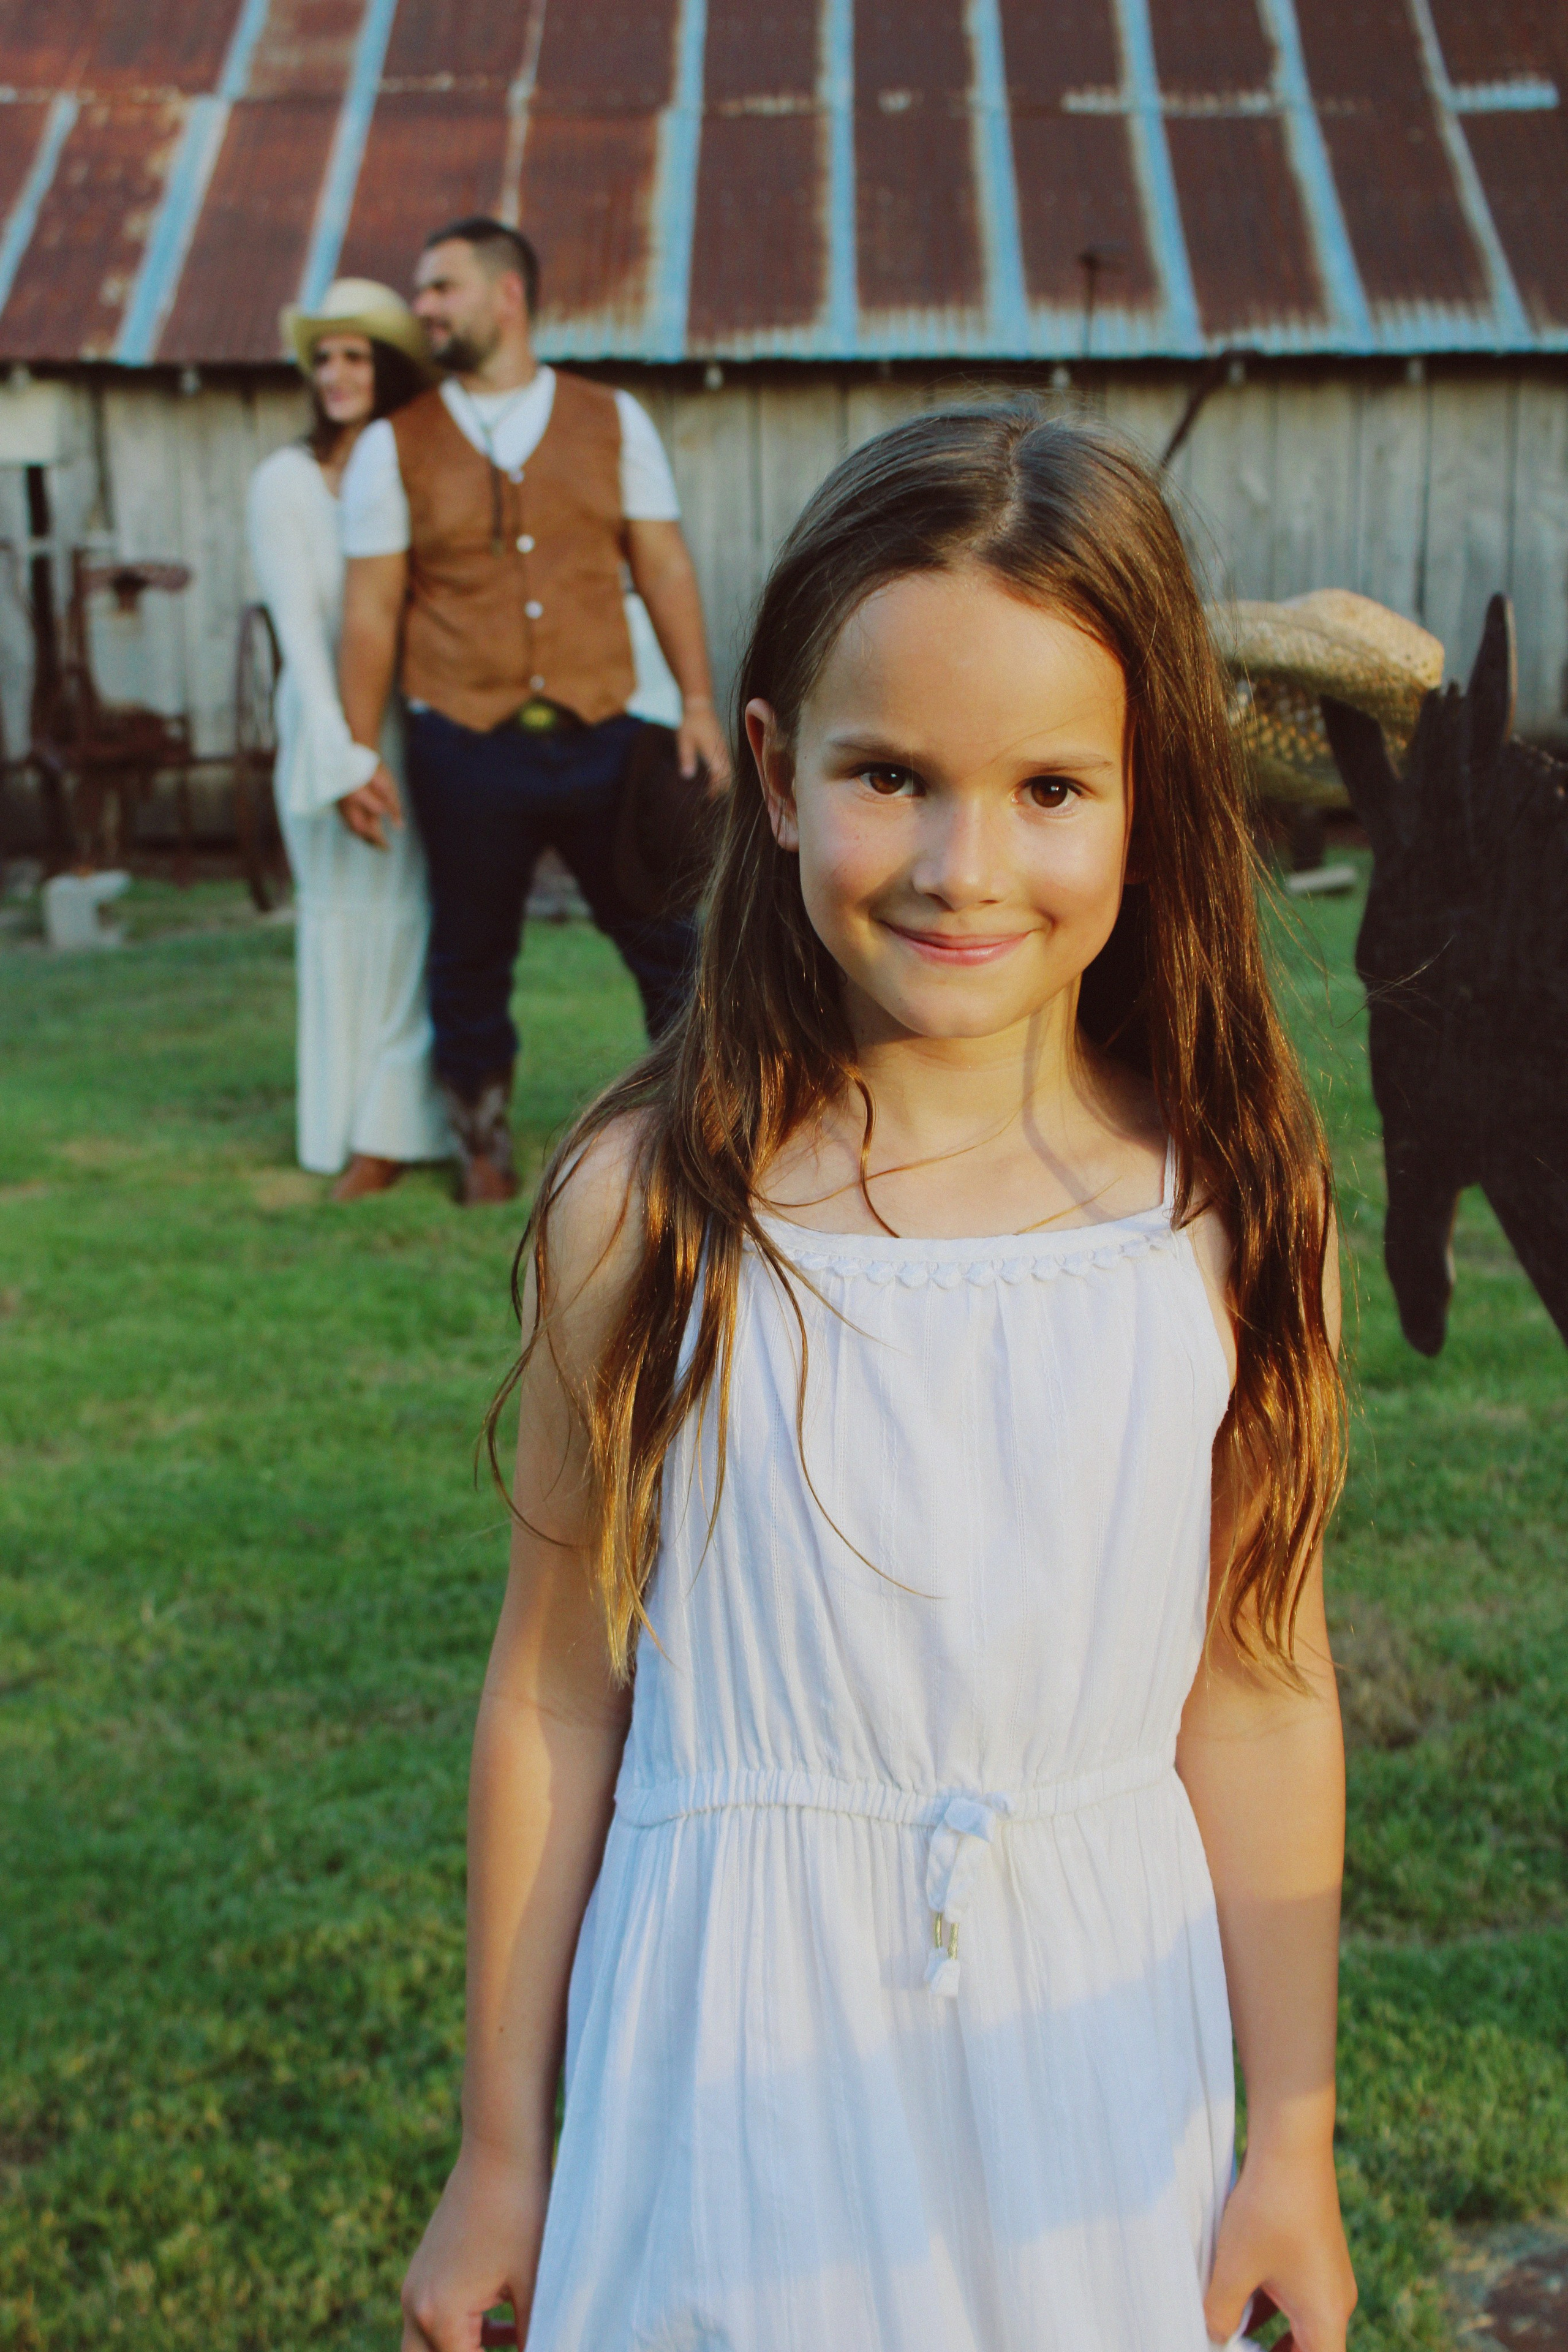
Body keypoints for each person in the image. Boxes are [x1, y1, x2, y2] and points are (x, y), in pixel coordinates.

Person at [399, 408, 1359, 2351]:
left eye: (1049, 791)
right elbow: (555, 1695)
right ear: (773, 771)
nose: (961, 863)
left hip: (1094, 2069)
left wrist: (1294, 2143)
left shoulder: (1230, 1214)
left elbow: (1258, 1695)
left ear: (1149, 794)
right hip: (733, 2069)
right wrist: (505, 2150)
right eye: (894, 776)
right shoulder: (644, 1207)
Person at [337, 217, 731, 1206]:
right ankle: (481, 1142)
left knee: (664, 933)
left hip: (607, 732)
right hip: (462, 744)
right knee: (469, 949)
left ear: (506, 296)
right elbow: (371, 611)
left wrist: (695, 704)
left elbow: (664, 564)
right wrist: (352, 750)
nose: (423, 307)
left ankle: (707, 1115)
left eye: (440, 288)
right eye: (422, 292)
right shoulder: (396, 446)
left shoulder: (612, 419)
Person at [247, 279, 450, 1197]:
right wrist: (342, 754)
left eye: (355, 356)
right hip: (324, 720)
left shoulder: (415, 464)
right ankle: (339, 1129)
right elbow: (298, 629)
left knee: (411, 917)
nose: (334, 374)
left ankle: (396, 1122)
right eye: (323, 358)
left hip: (410, 722)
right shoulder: (285, 482)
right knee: (341, 918)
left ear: (391, 368)